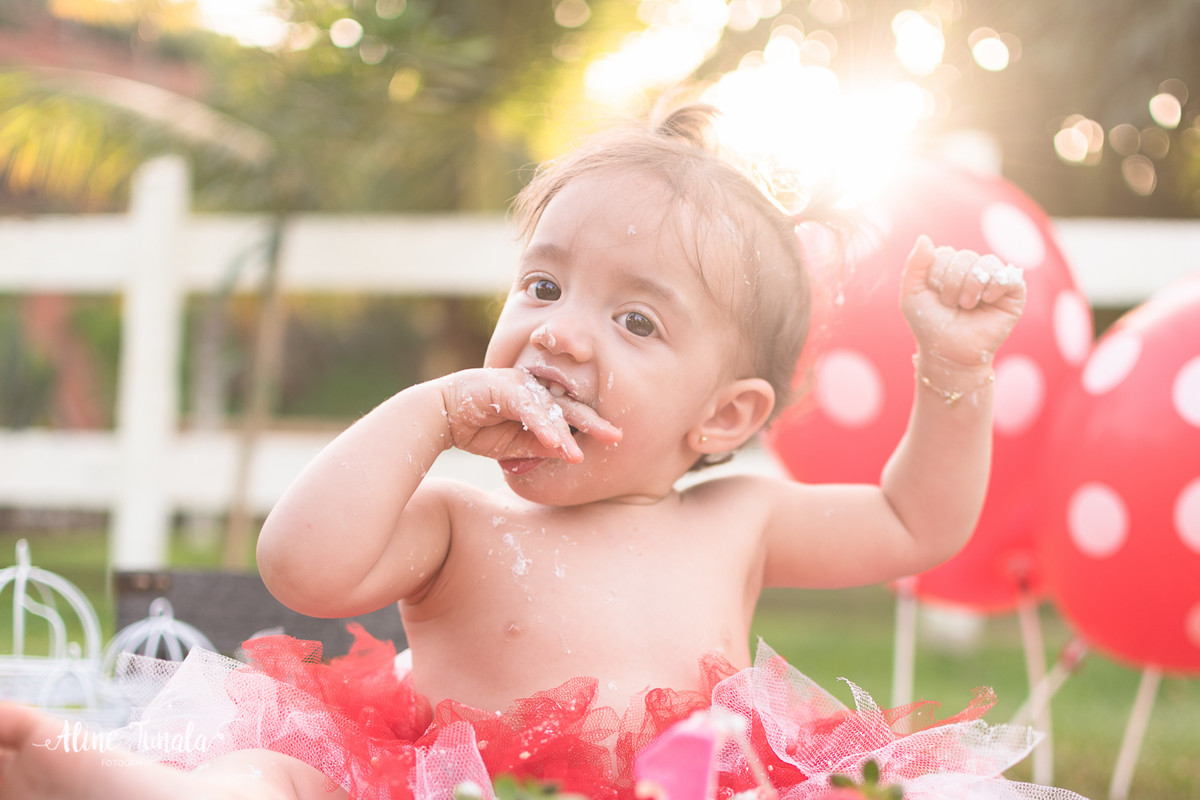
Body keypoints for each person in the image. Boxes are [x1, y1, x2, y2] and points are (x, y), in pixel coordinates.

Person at [0, 104, 1080, 800]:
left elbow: (914, 522)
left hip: (679, 787)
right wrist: (427, 412)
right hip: (457, 787)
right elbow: (300, 569)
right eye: (544, 285)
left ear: (722, 417)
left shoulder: (738, 517)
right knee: (278, 771)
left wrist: (954, 369)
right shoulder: (460, 520)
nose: (559, 332)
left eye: (636, 320)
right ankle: (129, 785)